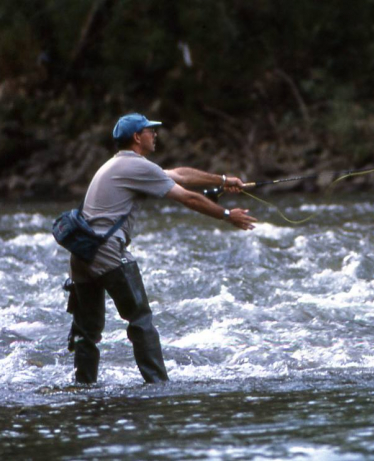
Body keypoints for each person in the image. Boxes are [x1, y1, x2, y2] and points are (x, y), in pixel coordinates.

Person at [66, 112, 257, 384]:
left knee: (88, 332)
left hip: (81, 254)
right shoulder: (137, 167)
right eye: (149, 130)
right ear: (136, 137)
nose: (154, 134)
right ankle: (158, 386)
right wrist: (227, 215)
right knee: (140, 320)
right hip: (107, 251)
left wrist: (223, 181)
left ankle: (84, 389)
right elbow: (188, 197)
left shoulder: (119, 165)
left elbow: (179, 175)